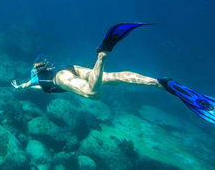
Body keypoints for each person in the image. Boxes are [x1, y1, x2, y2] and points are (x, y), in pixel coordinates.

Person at [11, 23, 215, 125]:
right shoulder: (40, 79)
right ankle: (159, 83)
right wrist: (26, 85)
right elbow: (37, 88)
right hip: (71, 68)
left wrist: (19, 86)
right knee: (111, 78)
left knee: (93, 94)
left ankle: (102, 55)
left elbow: (27, 86)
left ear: (36, 70)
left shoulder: (36, 78)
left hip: (62, 78)